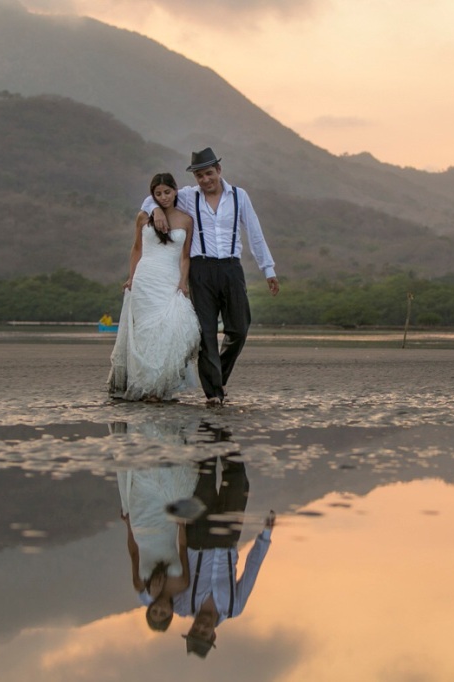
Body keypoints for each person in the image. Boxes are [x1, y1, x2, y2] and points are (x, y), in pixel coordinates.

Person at [140, 148, 279, 407]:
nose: (205, 180)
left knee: (239, 327)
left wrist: (268, 269)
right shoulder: (187, 197)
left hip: (231, 268)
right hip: (200, 270)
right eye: (199, 175)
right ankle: (214, 393)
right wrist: (156, 211)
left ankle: (217, 376)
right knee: (206, 333)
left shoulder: (239, 196)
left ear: (219, 171)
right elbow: (156, 198)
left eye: (208, 173)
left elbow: (255, 233)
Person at [109, 173, 200, 401]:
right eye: (158, 194)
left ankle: (160, 385)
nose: (163, 197)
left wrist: (183, 282)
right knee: (145, 334)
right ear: (152, 195)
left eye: (167, 192)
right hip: (145, 279)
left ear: (175, 190)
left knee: (171, 328)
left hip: (169, 278)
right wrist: (131, 277)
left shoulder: (186, 220)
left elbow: (185, 256)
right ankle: (146, 386)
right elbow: (137, 249)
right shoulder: (143, 217)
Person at [173, 455, 275, 658]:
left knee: (205, 472)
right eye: (204, 633)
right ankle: (226, 431)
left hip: (197, 537)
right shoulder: (233, 608)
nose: (201, 627)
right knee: (238, 479)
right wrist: (265, 534)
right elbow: (251, 571)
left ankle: (210, 427)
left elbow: (158, 590)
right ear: (213, 636)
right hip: (228, 539)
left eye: (195, 631)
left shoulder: (182, 605)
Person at [118, 464, 199, 631]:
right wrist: (181, 525)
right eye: (163, 614)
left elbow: (134, 553)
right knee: (163, 475)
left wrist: (128, 525)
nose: (160, 610)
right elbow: (182, 547)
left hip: (141, 522)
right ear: (170, 613)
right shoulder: (182, 584)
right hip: (166, 525)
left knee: (141, 477)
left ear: (149, 608)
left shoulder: (140, 584)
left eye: (154, 611)